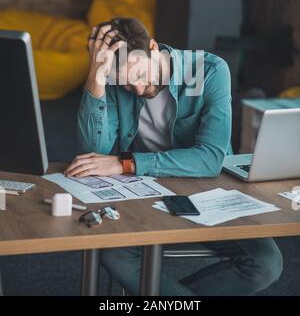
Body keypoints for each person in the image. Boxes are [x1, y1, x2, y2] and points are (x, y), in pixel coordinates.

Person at [65, 17, 283, 296]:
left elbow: (210, 159)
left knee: (266, 263)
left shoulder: (210, 70)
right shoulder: (111, 76)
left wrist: (127, 163)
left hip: (206, 193)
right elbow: (92, 152)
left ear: (154, 48)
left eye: (141, 75)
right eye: (126, 83)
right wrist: (96, 75)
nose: (138, 89)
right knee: (115, 256)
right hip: (144, 194)